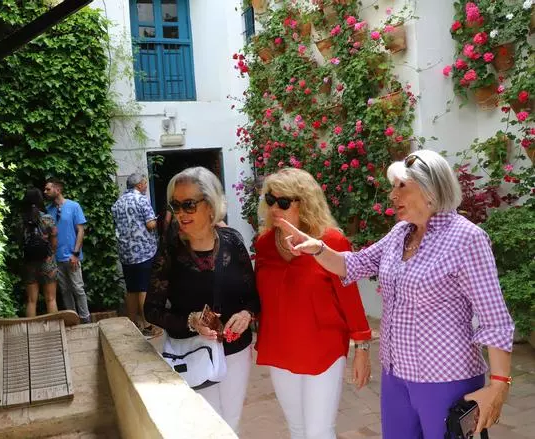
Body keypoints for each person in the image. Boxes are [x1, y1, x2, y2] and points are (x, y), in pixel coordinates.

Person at [276, 150, 515, 439]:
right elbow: (354, 264)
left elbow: (495, 319)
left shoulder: (466, 238)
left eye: (401, 185)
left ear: (431, 188)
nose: (392, 195)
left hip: (446, 378)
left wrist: (499, 384)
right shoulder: (401, 232)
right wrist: (317, 248)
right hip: (396, 375)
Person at [253, 168, 372, 439]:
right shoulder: (264, 244)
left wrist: (362, 349)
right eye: (271, 200)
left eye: (284, 202)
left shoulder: (329, 242)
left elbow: (350, 300)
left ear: (304, 203)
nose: (275, 208)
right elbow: (257, 297)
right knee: (297, 430)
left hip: (323, 349)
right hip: (280, 349)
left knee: (318, 432)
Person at [144, 166, 260, 432]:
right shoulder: (170, 249)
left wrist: (246, 315)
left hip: (234, 351)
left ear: (210, 205)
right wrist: (191, 320)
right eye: (175, 205)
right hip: (191, 350)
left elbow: (252, 297)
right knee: (204, 428)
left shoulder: (233, 242)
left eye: (188, 205)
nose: (180, 214)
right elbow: (151, 310)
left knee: (231, 423)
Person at [111, 173, 161, 337]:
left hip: (126, 253)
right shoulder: (141, 200)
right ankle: (147, 325)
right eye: (145, 183)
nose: (146, 186)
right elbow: (150, 224)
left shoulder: (118, 203)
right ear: (139, 185)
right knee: (144, 288)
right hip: (143, 252)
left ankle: (132, 324)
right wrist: (157, 220)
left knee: (131, 289)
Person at [44, 178, 91, 324]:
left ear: (58, 190)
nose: (45, 192)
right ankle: (72, 320)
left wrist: (76, 253)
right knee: (64, 291)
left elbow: (81, 231)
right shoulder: (48, 210)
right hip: (56, 259)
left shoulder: (73, 206)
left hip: (72, 256)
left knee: (78, 288)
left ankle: (85, 320)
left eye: (48, 189)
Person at [20, 187, 58, 317]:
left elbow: (20, 242)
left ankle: (31, 333)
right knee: (51, 299)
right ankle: (54, 330)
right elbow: (54, 240)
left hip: (29, 262)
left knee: (31, 301)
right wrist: (51, 254)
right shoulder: (47, 218)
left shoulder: (21, 221)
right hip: (47, 261)